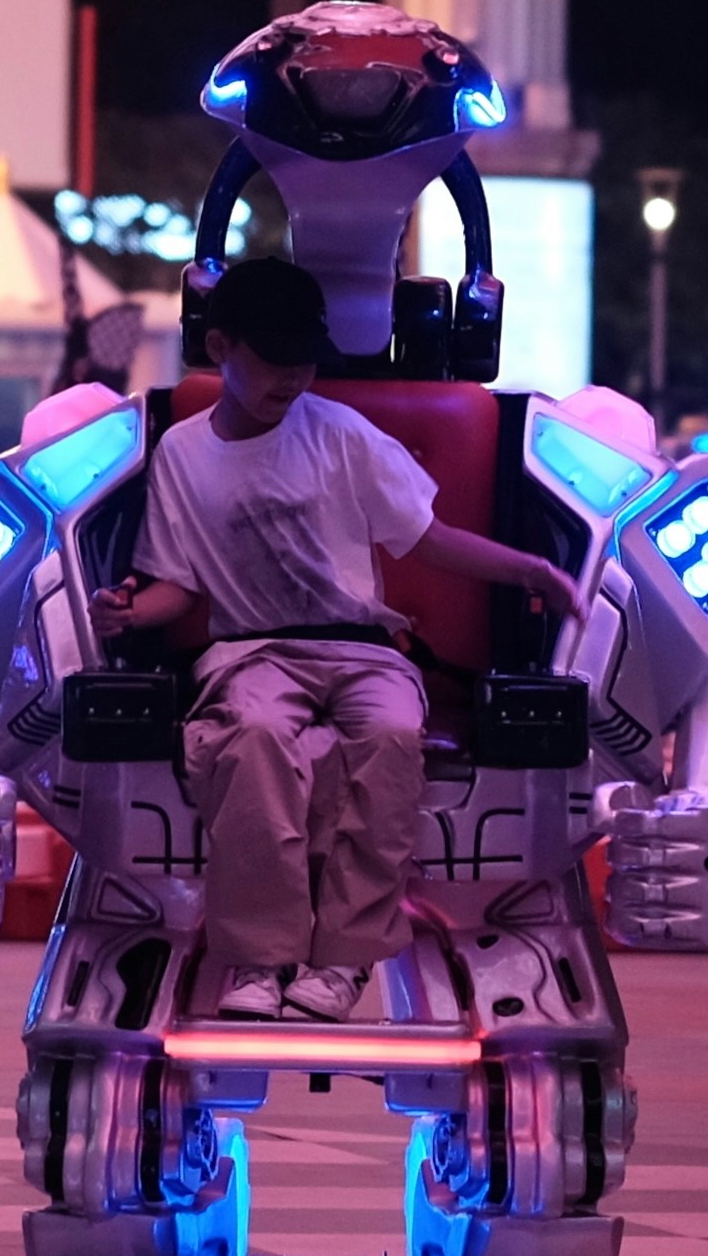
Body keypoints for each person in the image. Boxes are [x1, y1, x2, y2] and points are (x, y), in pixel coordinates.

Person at [100, 253, 577, 1023]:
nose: (293, 380)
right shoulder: (185, 454)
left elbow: (426, 538)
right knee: (252, 738)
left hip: (362, 646)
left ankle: (343, 961)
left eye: (305, 363)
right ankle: (258, 959)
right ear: (222, 350)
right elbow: (176, 585)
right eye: (276, 363)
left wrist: (526, 569)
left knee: (391, 737)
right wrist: (128, 613)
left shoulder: (342, 435)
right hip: (253, 649)